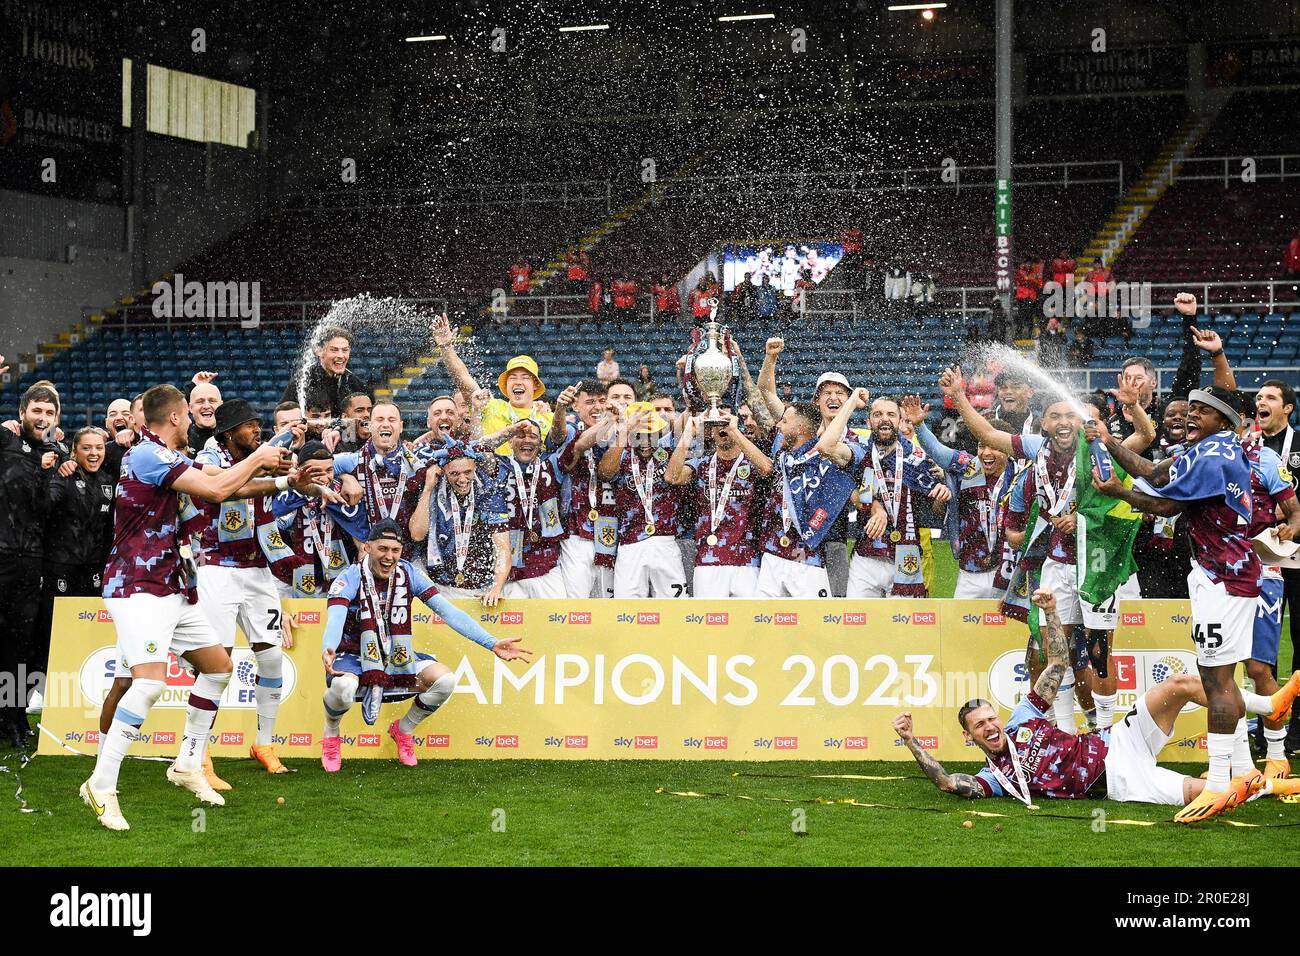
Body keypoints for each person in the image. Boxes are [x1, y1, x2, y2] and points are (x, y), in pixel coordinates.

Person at [82, 383, 290, 831]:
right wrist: (260, 456)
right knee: (147, 685)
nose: (195, 422)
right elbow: (214, 492)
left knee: (217, 667)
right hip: (139, 586)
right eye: (187, 415)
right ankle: (101, 785)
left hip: (173, 587)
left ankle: (187, 763)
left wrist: (286, 481)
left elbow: (220, 484)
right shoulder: (147, 455)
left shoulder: (168, 457)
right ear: (176, 417)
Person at [895, 590, 1298, 810]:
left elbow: (1056, 663)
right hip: (1118, 781)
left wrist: (1052, 613)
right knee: (1208, 791)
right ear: (971, 739)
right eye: (979, 727)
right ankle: (1272, 788)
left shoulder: (1020, 718)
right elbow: (948, 782)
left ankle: (1270, 706)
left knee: (1181, 683)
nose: (990, 726)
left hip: (1117, 739)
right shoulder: (995, 780)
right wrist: (912, 742)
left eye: (989, 718)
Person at [1092, 386, 1271, 822]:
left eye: (1201, 411)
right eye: (1189, 408)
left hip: (1224, 577)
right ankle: (1246, 772)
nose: (1190, 416)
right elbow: (1154, 472)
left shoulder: (1214, 456)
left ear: (1223, 421)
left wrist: (1117, 490)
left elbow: (1167, 503)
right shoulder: (1210, 447)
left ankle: (1215, 786)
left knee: (1216, 681)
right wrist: (1109, 439)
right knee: (1219, 676)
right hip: (1224, 573)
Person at [184, 398, 337, 781]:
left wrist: (310, 485)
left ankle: (264, 742)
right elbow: (226, 488)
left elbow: (283, 485)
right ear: (229, 432)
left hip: (257, 570)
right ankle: (199, 753)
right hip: (216, 569)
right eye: (249, 426)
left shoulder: (261, 454)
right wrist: (283, 450)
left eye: (258, 425)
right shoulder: (210, 455)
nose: (257, 431)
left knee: (271, 660)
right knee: (214, 666)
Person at [320, 520, 530, 771]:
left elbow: (449, 613)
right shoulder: (349, 578)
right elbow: (336, 617)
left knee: (445, 681)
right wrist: (329, 647)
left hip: (396, 658)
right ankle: (331, 735)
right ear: (367, 548)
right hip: (355, 657)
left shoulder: (409, 574)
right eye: (382, 549)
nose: (389, 557)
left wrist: (491, 642)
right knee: (343, 687)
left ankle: (403, 730)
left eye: (395, 550)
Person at [818, 389, 946, 599]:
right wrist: (850, 403)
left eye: (891, 415)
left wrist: (942, 494)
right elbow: (825, 446)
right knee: (857, 624)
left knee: (904, 628)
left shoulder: (918, 459)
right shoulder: (861, 453)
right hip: (867, 556)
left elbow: (935, 511)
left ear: (900, 421)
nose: (884, 419)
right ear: (868, 422)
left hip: (907, 557)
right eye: (877, 415)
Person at [904, 397, 1023, 599]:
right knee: (961, 628)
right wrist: (919, 426)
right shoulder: (968, 466)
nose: (986, 453)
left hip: (1008, 568)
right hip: (970, 571)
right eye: (981, 445)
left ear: (1008, 448)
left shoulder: (1022, 474)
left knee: (1011, 629)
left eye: (994, 446)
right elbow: (938, 451)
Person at [0, 382, 66, 744]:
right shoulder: (5, 441)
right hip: (1, 554)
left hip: (32, 563)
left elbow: (47, 507)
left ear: (57, 419)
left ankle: (13, 717)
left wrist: (47, 469)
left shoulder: (58, 455)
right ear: (22, 413)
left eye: (49, 412)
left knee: (21, 644)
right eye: (36, 410)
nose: (42, 418)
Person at [36, 428, 116, 710]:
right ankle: (44, 687)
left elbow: (109, 530)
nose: (94, 453)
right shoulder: (64, 475)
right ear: (75, 450)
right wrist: (56, 474)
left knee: (88, 629)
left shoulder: (109, 482)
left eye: (99, 448)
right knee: (53, 628)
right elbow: (44, 508)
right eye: (87, 448)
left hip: (93, 568)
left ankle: (84, 688)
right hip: (60, 566)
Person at [665, 410, 773, 598]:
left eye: (726, 423)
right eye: (716, 424)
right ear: (710, 432)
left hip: (746, 562)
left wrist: (735, 432)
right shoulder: (701, 464)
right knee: (709, 625)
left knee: (748, 624)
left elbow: (768, 469)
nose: (722, 428)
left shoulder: (752, 462)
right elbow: (672, 477)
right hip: (708, 561)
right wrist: (688, 435)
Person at [1252, 378, 1300, 752]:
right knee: (1259, 651)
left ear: (1287, 408)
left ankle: (1295, 724)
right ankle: (1265, 724)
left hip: (1296, 555)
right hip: (1258, 560)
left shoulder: (1298, 445)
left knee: (1299, 640)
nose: (1261, 401)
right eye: (1259, 396)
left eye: (1270, 397)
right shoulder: (1246, 445)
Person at [599, 402, 687, 598]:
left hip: (666, 541)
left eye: (651, 434)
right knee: (627, 611)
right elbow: (604, 473)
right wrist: (625, 430)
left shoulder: (669, 454)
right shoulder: (620, 455)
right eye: (639, 435)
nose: (645, 441)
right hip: (630, 544)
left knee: (675, 609)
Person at [433, 312, 553, 453]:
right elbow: (462, 377)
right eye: (513, 377)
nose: (518, 382)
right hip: (496, 473)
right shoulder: (490, 407)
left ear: (535, 385)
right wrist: (446, 347)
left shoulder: (549, 418)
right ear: (506, 384)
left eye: (525, 377)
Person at [410, 442, 510, 605]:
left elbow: (503, 547)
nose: (462, 479)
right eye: (454, 473)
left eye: (467, 472)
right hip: (439, 587)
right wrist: (428, 489)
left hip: (480, 589)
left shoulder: (489, 492)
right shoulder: (434, 490)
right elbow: (417, 534)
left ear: (475, 468)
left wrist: (496, 587)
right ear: (444, 471)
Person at [554, 381, 619, 599]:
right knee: (577, 603)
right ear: (576, 406)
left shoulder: (620, 434)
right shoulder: (571, 430)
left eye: (602, 401)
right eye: (590, 402)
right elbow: (570, 440)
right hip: (576, 532)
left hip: (612, 532)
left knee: (610, 604)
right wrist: (559, 409)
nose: (598, 407)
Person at [989, 369, 1037, 435]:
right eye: (1003, 387)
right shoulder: (984, 419)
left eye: (1016, 387)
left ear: (1030, 392)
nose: (1008, 392)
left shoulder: (1039, 424)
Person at [188, 379, 221, 453]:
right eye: (200, 401)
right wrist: (191, 386)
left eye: (212, 401)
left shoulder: (233, 436)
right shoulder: (180, 437)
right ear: (190, 407)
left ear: (221, 405)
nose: (206, 406)